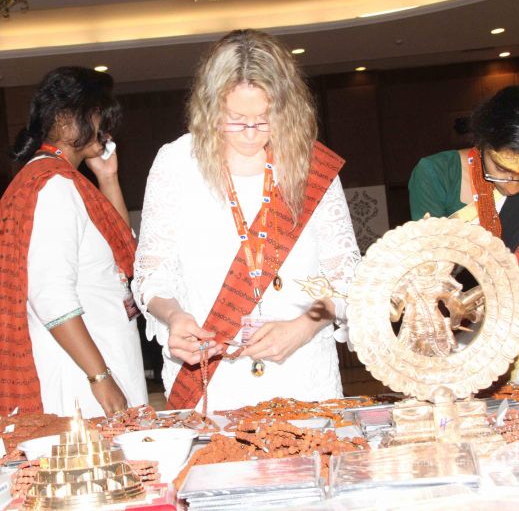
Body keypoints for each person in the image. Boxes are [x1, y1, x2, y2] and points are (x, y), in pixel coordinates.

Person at [132, 29, 361, 411]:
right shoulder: (176, 164)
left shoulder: (310, 165)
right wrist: (174, 317)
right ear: (210, 109)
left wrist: (304, 327)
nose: (252, 134)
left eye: (265, 119)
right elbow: (153, 274)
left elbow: (346, 279)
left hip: (303, 374)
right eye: (236, 120)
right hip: (212, 380)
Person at [0, 67, 147, 417]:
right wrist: (100, 377)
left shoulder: (65, 180)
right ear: (67, 120)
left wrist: (108, 178)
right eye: (99, 115)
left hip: (102, 360)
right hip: (82, 378)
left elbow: (123, 250)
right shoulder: (54, 187)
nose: (105, 128)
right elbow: (51, 296)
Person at [408, 85, 519, 380]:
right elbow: (429, 278)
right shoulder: (436, 175)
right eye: (501, 168)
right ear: (483, 142)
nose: (513, 185)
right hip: (465, 337)